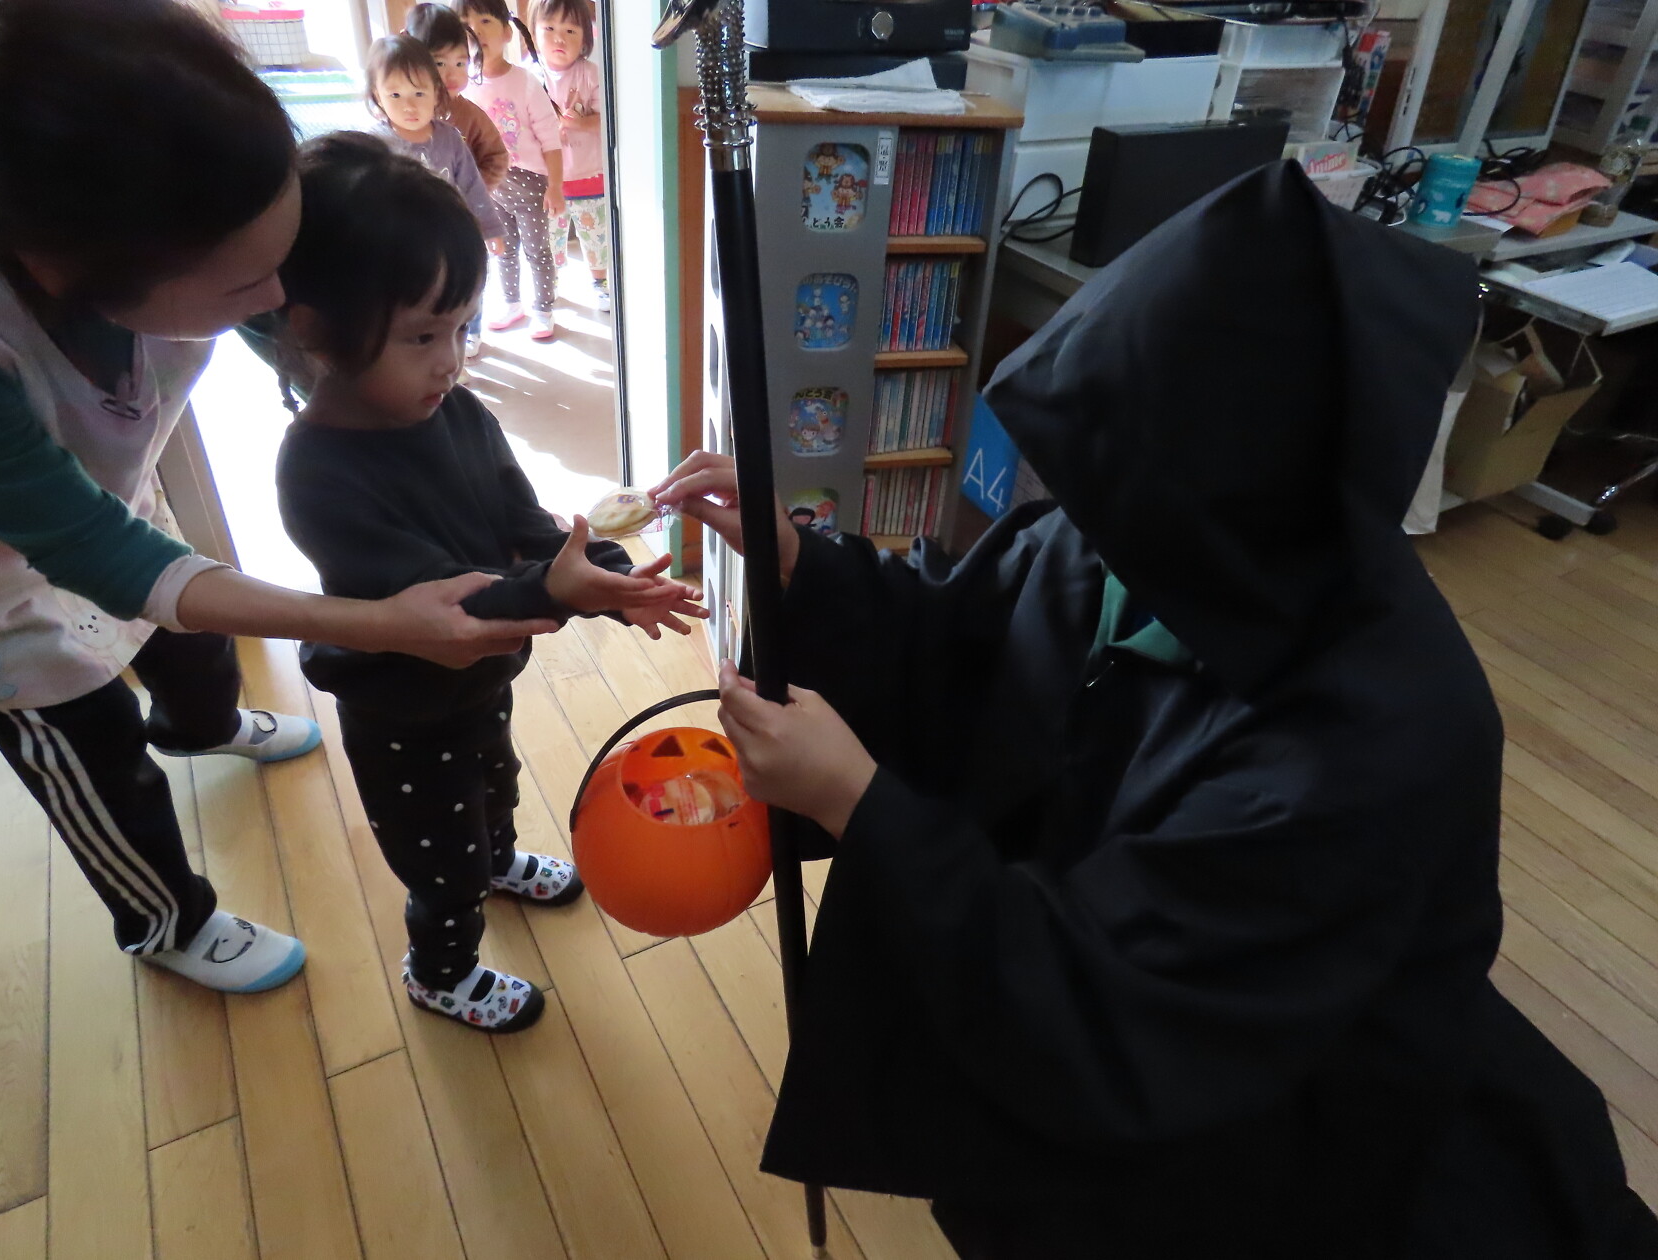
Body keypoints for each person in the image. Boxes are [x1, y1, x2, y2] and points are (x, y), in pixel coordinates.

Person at [651, 164, 1658, 1257]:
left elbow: (1118, 1013)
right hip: (1083, 969)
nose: (1085, 519)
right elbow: (963, 642)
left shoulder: (1371, 749)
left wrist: (862, 804)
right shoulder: (1116, 540)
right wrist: (809, 567)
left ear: (1234, 498)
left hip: (1248, 1103)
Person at [0, 0, 555, 995]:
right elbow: (94, 549)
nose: (284, 304)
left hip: (109, 496)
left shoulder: (204, 230)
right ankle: (166, 918)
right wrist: (381, 623)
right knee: (86, 734)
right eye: (249, 284)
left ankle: (204, 727)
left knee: (191, 649)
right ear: (78, 272)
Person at [272, 133, 703, 1030]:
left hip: (480, 678)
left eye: (462, 328)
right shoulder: (316, 471)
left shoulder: (458, 411)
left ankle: (498, 859)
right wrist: (557, 589)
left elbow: (523, 520)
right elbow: (441, 600)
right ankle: (440, 970)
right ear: (313, 329)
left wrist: (608, 573)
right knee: (440, 859)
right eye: (422, 335)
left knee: (494, 784)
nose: (451, 359)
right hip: (400, 705)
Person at [453, 0, 566, 342]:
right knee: (501, 247)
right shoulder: (462, 85)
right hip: (487, 184)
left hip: (529, 182)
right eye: (466, 22)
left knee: (537, 250)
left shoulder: (525, 82)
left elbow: (550, 138)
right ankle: (512, 303)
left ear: (506, 32)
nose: (476, 30)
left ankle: (543, 308)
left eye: (485, 21)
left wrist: (555, 186)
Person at [405, 2, 510, 358]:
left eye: (461, 63)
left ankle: (470, 330)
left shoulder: (468, 114)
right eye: (439, 63)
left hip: (463, 221)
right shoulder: (403, 111)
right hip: (416, 227)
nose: (452, 74)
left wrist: (471, 192)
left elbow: (497, 156)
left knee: (468, 279)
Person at [533, 0, 610, 313]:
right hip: (546, 178)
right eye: (550, 28)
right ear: (534, 33)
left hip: (589, 173)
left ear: (585, 39)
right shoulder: (530, 75)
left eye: (570, 31)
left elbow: (608, 120)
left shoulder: (590, 74)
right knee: (549, 237)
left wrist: (580, 123)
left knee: (595, 236)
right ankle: (549, 281)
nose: (559, 38)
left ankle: (600, 282)